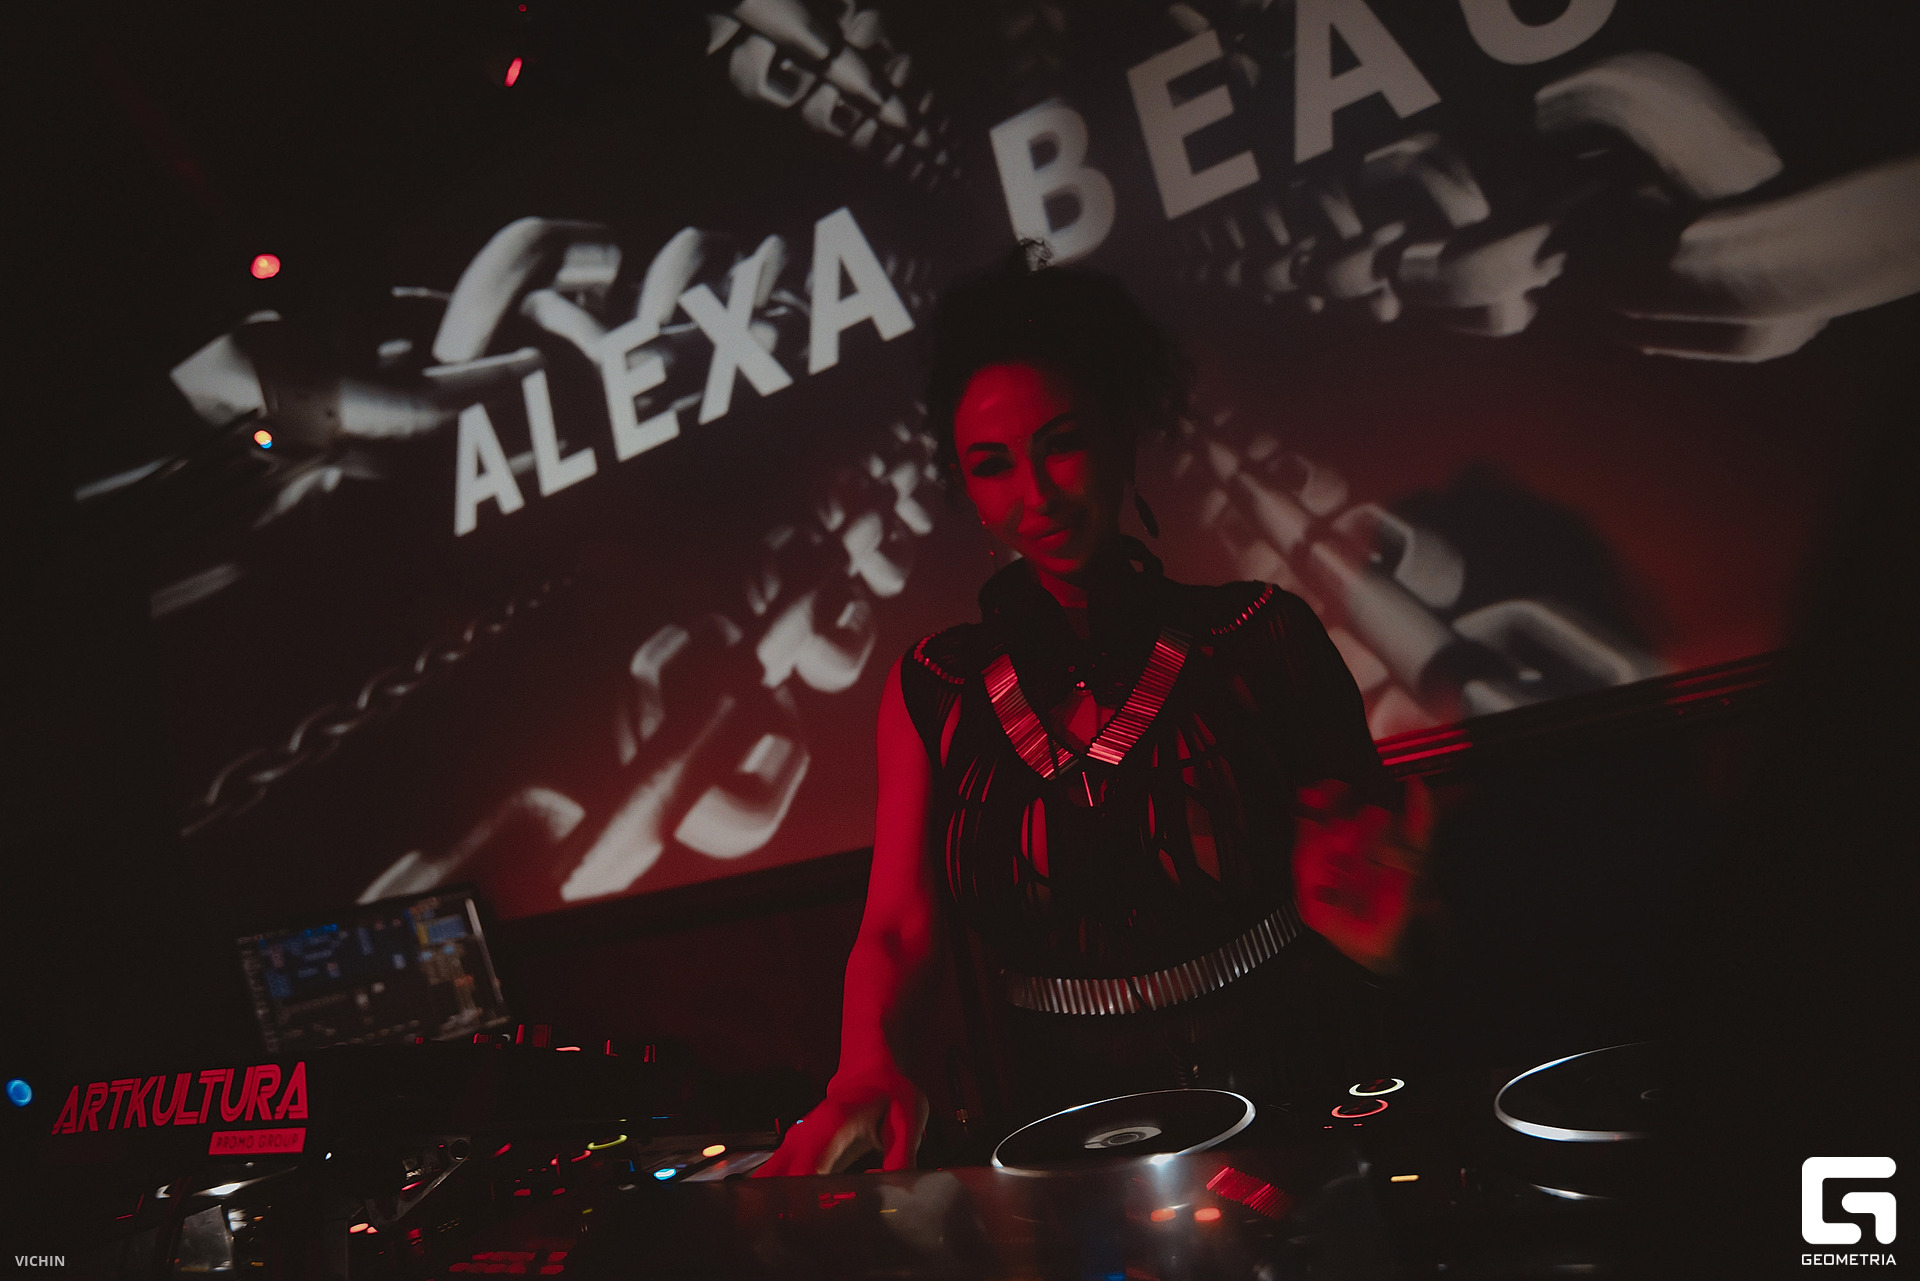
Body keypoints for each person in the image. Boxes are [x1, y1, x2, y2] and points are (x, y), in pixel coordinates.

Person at [755, 246, 1431, 1178]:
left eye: (1061, 444)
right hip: (1056, 1147)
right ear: (966, 487)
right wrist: (865, 1063)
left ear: (1122, 434)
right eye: (992, 465)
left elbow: (1373, 896)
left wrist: (1384, 939)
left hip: (1290, 1116)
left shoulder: (1258, 635)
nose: (1034, 495)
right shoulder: (934, 684)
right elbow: (899, 926)